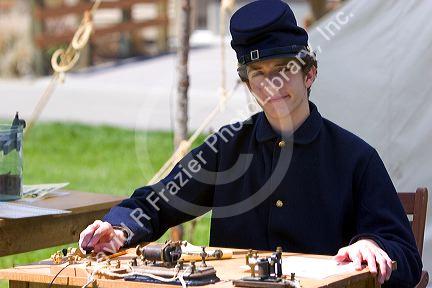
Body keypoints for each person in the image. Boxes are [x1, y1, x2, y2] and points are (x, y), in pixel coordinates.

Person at [79, 1, 422, 286]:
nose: (271, 83)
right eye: (258, 72)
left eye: (283, 69)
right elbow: (157, 203)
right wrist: (119, 228)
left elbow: (405, 259)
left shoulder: (355, 158)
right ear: (248, 84)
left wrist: (372, 246)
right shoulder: (226, 150)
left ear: (310, 73)